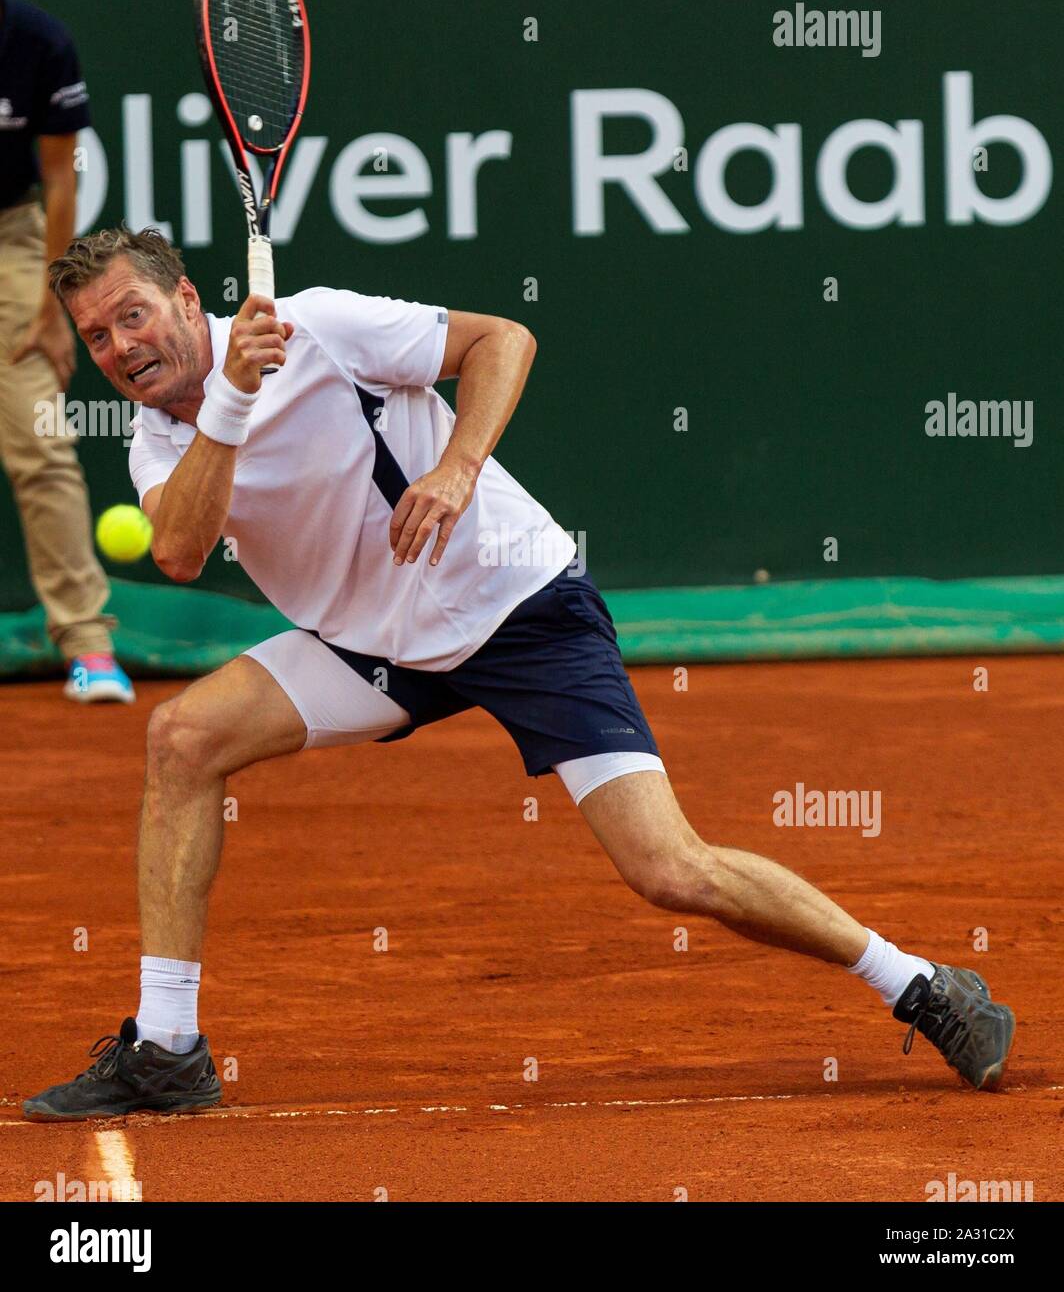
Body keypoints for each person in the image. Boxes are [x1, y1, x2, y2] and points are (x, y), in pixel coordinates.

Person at [22, 225, 1015, 1120]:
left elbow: (503, 339)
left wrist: (454, 468)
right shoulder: (160, 436)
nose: (119, 347)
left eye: (132, 315)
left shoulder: (320, 325)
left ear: (188, 301)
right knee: (181, 737)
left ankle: (922, 984)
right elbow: (183, 550)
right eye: (97, 335)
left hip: (515, 608)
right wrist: (233, 397)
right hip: (375, 647)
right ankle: (167, 1049)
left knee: (667, 869)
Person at [0, 0, 132, 702]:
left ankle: (87, 644)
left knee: (40, 441)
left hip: (12, 243)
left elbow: (59, 178)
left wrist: (54, 306)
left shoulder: (37, 41)